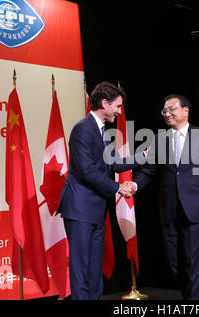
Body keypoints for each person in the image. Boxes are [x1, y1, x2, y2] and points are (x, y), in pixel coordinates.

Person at [134, 94, 199, 300]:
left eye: (171, 109)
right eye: (164, 111)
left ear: (186, 110)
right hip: (169, 209)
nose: (167, 113)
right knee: (175, 265)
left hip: (195, 208)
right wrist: (134, 184)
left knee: (193, 262)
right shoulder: (159, 140)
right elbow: (149, 171)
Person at [57, 81, 140, 300]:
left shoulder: (100, 131)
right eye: (118, 106)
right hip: (80, 209)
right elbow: (86, 170)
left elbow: (112, 163)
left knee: (95, 267)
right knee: (82, 267)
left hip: (95, 210)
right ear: (105, 103)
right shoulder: (82, 129)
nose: (119, 111)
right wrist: (118, 188)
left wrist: (142, 158)